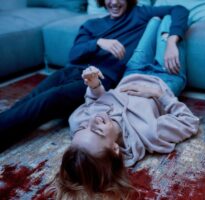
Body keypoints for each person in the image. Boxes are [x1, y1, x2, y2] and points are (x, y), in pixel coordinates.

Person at [0, 0, 189, 152]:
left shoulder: (138, 14)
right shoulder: (92, 25)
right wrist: (98, 42)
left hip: (100, 80)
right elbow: (74, 54)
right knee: (33, 96)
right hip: (73, 71)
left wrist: (172, 41)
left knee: (52, 97)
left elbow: (179, 9)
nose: (114, 2)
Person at [53, 16, 199, 199]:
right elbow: (190, 122)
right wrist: (158, 95)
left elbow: (93, 104)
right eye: (97, 131)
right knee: (169, 20)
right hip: (165, 76)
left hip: (132, 71)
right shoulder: (149, 133)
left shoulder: (78, 123)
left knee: (152, 21)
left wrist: (94, 85)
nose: (93, 120)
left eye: (84, 128)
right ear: (114, 149)